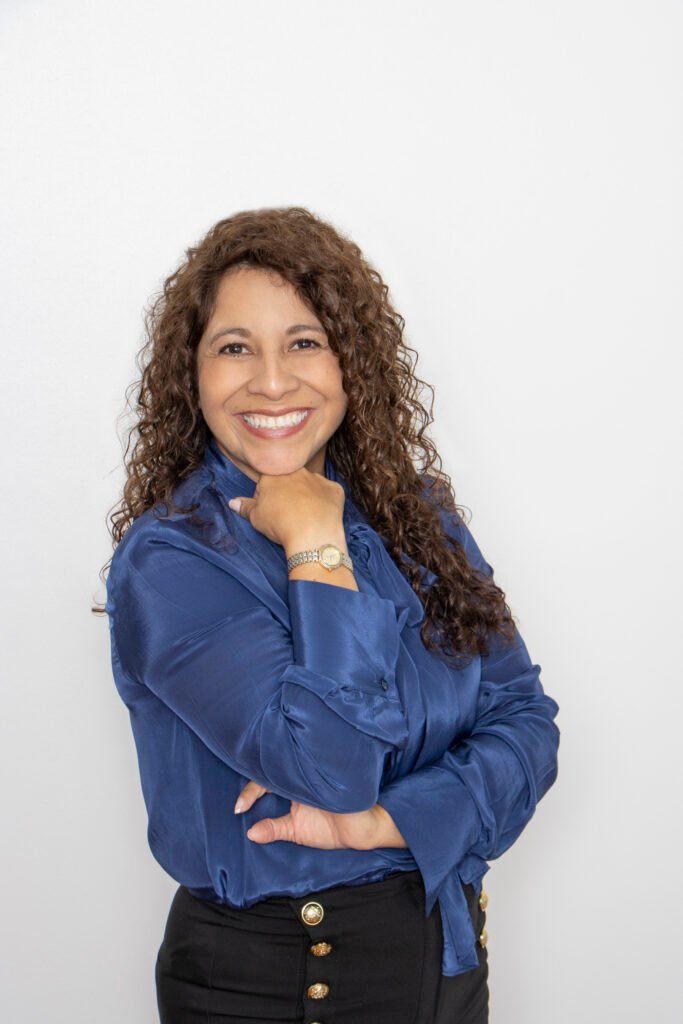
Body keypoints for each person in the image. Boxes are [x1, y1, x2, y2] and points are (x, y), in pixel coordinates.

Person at [100, 206, 561, 1024]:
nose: (272, 382)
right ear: (190, 373)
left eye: (304, 342)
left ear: (352, 361)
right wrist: (315, 543)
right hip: (271, 986)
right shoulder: (171, 561)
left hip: (440, 962)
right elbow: (329, 768)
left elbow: (526, 726)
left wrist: (382, 823)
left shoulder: (416, 517)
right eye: (234, 347)